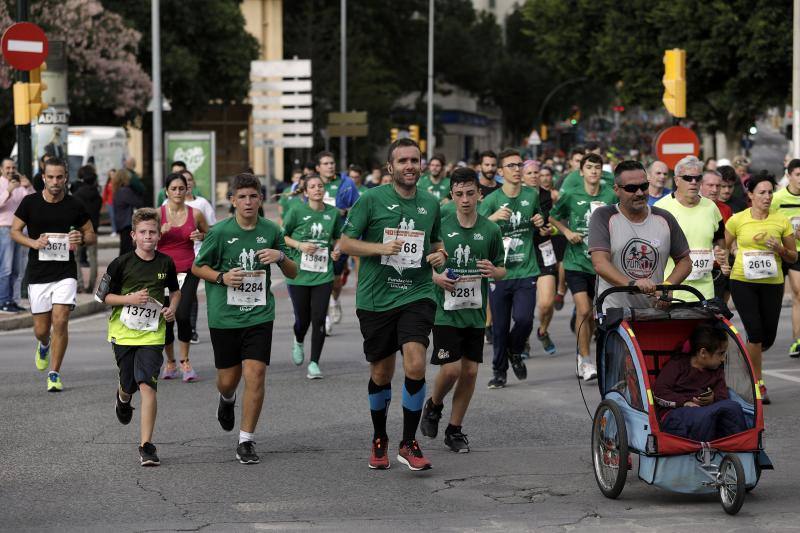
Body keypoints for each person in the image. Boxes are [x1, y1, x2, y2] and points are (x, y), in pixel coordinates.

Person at [339, 138, 446, 471]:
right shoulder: (371, 199)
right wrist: (379, 249)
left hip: (416, 293)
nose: (410, 166)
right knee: (381, 372)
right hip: (376, 298)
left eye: (415, 160)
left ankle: (408, 442)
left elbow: (437, 241)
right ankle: (379, 436)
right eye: (403, 161)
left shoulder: (431, 202)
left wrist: (440, 255)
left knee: (415, 364)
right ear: (391, 168)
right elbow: (344, 242)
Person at [192, 173, 297, 464]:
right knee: (228, 380)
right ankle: (227, 399)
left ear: (260, 199)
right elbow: (197, 268)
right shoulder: (220, 232)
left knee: (256, 374)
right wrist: (222, 277)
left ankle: (246, 440)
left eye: (253, 196)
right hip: (225, 317)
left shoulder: (271, 230)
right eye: (242, 197)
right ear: (232, 201)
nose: (248, 202)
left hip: (259, 314)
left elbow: (293, 272)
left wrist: (279, 257)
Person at [419, 167, 505, 452]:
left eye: (470, 193)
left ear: (480, 194)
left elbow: (503, 268)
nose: (465, 199)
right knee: (452, 369)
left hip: (475, 311)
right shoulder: (439, 225)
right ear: (451, 195)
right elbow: (418, 266)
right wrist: (435, 277)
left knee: (470, 373)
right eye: (459, 194)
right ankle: (433, 405)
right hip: (445, 309)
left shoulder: (490, 229)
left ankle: (454, 430)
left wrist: (495, 270)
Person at [100, 208, 180, 466]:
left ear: (159, 235)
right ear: (133, 235)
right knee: (129, 384)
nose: (148, 237)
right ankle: (123, 399)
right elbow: (104, 297)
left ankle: (146, 445)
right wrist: (129, 299)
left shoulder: (166, 262)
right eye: (143, 232)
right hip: (123, 335)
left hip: (152, 335)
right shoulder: (120, 263)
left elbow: (175, 292)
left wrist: (171, 309)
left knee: (147, 385)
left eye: (153, 232)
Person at [10, 157, 96, 391]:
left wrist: (81, 237)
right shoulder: (30, 203)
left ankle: (55, 373)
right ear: (44, 177)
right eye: (51, 177)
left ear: (66, 177)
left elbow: (91, 234)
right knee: (41, 329)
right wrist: (33, 243)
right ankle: (44, 344)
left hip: (65, 273)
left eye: (60, 177)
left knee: (61, 321)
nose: (55, 181)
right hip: (38, 273)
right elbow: (15, 231)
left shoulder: (74, 205)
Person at [725, 171, 796, 404]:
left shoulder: (781, 221)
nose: (767, 197)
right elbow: (721, 247)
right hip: (742, 281)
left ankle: (750, 355)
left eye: (770, 192)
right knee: (754, 334)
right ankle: (758, 384)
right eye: (762, 192)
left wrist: (780, 249)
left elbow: (793, 256)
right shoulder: (737, 220)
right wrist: (725, 260)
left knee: (767, 338)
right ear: (750, 194)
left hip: (772, 283)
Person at [479, 149, 545, 389]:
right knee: (499, 327)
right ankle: (499, 372)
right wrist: (493, 218)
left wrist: (539, 221)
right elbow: (475, 230)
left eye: (519, 165)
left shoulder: (531, 195)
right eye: (511, 166)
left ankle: (515, 350)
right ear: (500, 172)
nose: (517, 170)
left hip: (526, 269)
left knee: (525, 320)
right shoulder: (491, 201)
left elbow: (538, 219)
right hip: (499, 272)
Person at [588, 160, 692, 313]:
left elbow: (685, 261)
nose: (639, 193)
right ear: (616, 190)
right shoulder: (603, 216)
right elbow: (600, 263)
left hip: (654, 311)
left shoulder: (664, 218)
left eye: (644, 186)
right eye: (631, 188)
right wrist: (632, 284)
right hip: (615, 312)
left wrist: (668, 286)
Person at [551, 153, 617, 381]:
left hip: (601, 264)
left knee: (593, 316)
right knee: (584, 309)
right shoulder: (571, 194)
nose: (593, 171)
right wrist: (567, 232)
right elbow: (553, 217)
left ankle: (585, 352)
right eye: (589, 167)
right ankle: (586, 360)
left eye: (597, 167)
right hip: (575, 262)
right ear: (582, 172)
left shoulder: (610, 194)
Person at [282, 174, 342, 378]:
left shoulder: (333, 213)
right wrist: (300, 245)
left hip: (323, 274)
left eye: (320, 186)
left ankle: (314, 363)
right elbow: (282, 236)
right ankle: (298, 340)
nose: (317, 189)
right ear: (306, 192)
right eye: (313, 186)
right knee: (303, 320)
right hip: (298, 274)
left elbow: (336, 238)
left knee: (318, 319)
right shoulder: (296, 210)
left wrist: (336, 250)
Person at [654, 323, 747, 442]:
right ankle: (706, 450)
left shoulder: (717, 372)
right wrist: (685, 402)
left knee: (733, 407)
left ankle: (741, 448)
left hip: (706, 413)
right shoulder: (677, 365)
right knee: (705, 416)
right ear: (703, 353)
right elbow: (659, 391)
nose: (723, 359)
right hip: (676, 413)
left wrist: (713, 398)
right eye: (720, 353)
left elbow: (723, 397)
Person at [157, 173, 209, 382]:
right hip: (161, 272)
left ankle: (185, 360)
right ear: (166, 191)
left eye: (182, 188)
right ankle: (170, 361)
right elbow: (141, 240)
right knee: (165, 317)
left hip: (188, 269)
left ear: (187, 189)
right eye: (174, 189)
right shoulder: (157, 214)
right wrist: (159, 232)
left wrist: (201, 235)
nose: (178, 192)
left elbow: (210, 233)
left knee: (183, 314)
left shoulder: (195, 213)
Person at [654, 156, 728, 302]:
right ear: (676, 180)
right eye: (688, 178)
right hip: (672, 291)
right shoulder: (660, 208)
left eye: (697, 178)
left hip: (704, 292)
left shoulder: (711, 207)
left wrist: (720, 252)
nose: (693, 182)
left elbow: (720, 241)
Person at [315, 151, 360, 334]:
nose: (330, 166)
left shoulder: (346, 184)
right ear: (318, 167)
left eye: (332, 163)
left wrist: (344, 211)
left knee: (334, 281)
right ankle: (324, 317)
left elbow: (358, 208)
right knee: (320, 280)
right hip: (318, 240)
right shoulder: (313, 184)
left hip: (339, 239)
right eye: (325, 163)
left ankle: (335, 299)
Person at [524, 161, 557, 356]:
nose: (535, 176)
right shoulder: (516, 197)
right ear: (522, 175)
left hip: (544, 250)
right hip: (524, 252)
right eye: (530, 173)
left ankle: (543, 331)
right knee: (525, 306)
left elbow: (556, 221)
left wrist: (550, 229)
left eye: (537, 172)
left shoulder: (548, 196)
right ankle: (524, 340)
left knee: (546, 303)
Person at [180, 169, 216, 344]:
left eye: (188, 181)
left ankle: (191, 329)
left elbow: (213, 231)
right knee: (176, 296)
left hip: (196, 256)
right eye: (181, 182)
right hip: (173, 259)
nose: (185, 185)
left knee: (190, 294)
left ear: (193, 183)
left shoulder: (202, 204)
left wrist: (201, 236)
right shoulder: (165, 206)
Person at [771, 158, 800, 358]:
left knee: (799, 294)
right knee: (772, 298)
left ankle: (797, 340)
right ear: (788, 175)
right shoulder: (777, 198)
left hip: (797, 253)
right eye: (798, 174)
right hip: (777, 251)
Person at [1, 158, 34, 312]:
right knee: (5, 268)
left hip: (20, 230)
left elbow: (33, 202)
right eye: (8, 168)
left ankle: (13, 300)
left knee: (16, 269)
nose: (11, 170)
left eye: (13, 168)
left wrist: (28, 187)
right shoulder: (2, 184)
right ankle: (3, 301)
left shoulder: (20, 185)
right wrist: (8, 191)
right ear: (1, 169)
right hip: (5, 229)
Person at [701, 169, 734, 302]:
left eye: (718, 186)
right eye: (710, 185)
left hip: (718, 270)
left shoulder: (726, 209)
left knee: (719, 312)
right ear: (701, 185)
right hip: (697, 270)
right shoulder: (692, 207)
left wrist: (725, 262)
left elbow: (726, 240)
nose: (715, 189)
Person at [71, 165, 103, 294]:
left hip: (79, 229)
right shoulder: (97, 195)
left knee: (76, 258)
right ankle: (91, 286)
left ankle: (80, 285)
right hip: (93, 229)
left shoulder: (77, 195)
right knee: (93, 258)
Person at [112, 169, 144, 255]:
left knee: (124, 248)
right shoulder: (125, 191)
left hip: (121, 222)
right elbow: (138, 203)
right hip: (127, 224)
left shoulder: (117, 191)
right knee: (127, 250)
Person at [103, 170, 118, 237]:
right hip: (110, 203)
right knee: (112, 217)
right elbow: (105, 193)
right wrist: (104, 202)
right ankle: (114, 230)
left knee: (118, 216)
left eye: (113, 174)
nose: (112, 176)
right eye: (111, 174)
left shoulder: (118, 183)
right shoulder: (108, 183)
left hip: (117, 202)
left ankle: (118, 230)